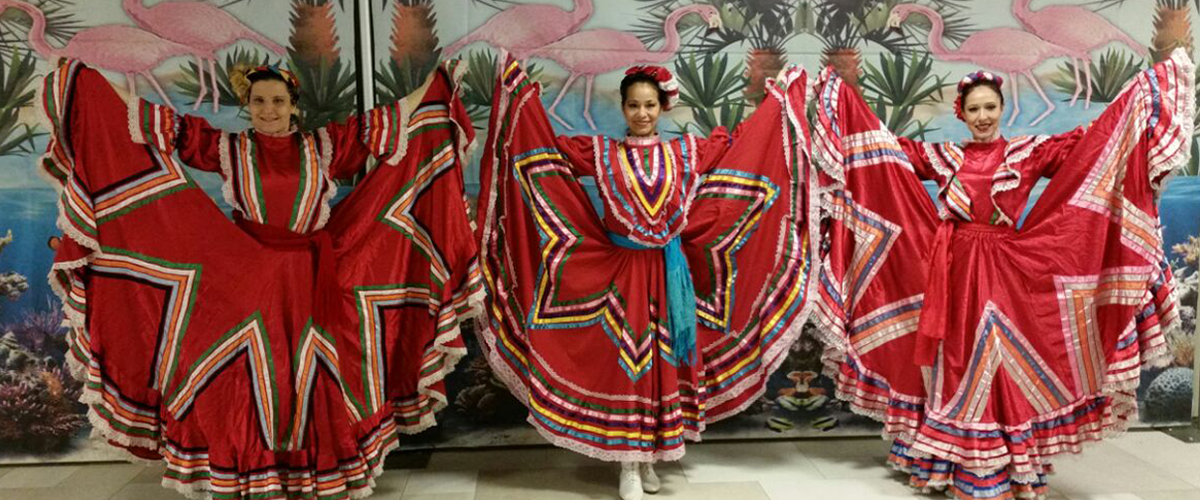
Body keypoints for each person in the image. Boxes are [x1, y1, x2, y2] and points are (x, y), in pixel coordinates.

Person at [39, 58, 482, 499]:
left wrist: (433, 85)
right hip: (246, 279)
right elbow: (154, 122)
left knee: (317, 375)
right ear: (247, 105)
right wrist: (95, 83)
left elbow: (395, 121)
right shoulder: (226, 148)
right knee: (249, 378)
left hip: (313, 279)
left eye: (278, 101)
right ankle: (257, 474)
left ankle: (316, 473)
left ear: (294, 106)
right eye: (259, 101)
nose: (268, 110)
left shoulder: (324, 146)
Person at [810, 49, 1193, 499]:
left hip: (1009, 268)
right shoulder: (945, 155)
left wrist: (1139, 97)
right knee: (955, 359)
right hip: (951, 269)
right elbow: (887, 153)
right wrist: (840, 100)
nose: (983, 116)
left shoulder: (1027, 152)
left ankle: (1007, 463)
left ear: (1001, 108)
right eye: (974, 109)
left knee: (1004, 364)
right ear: (962, 114)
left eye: (990, 107)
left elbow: (1091, 143)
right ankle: (949, 463)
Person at [475, 55, 818, 500]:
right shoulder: (600, 153)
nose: (641, 114)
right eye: (634, 105)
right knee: (629, 369)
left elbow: (744, 145)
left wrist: (779, 101)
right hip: (619, 276)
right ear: (623, 108)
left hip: (670, 274)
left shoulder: (687, 152)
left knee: (662, 367)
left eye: (650, 105)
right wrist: (520, 97)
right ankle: (628, 464)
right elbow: (544, 148)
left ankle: (652, 454)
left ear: (663, 108)